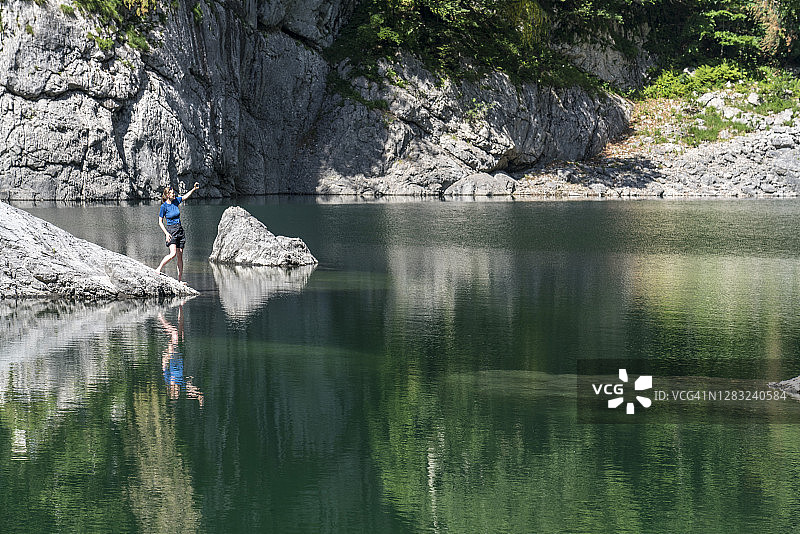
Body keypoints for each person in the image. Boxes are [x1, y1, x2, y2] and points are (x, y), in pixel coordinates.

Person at [155, 182, 199, 282]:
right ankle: (158, 268)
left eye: (174, 193)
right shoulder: (164, 207)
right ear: (167, 195)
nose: (174, 194)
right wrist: (166, 233)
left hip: (180, 230)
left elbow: (184, 197)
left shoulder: (176, 201)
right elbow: (160, 222)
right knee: (173, 253)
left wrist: (193, 189)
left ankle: (179, 280)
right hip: (171, 230)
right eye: (171, 193)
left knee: (180, 256)